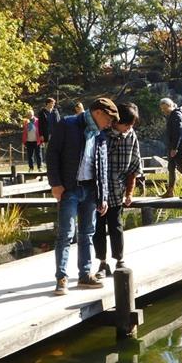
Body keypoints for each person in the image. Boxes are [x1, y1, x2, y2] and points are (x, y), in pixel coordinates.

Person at [47, 97, 119, 295]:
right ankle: (61, 278)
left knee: (87, 233)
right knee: (65, 234)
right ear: (98, 113)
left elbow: (102, 167)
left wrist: (103, 195)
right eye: (109, 119)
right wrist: (56, 184)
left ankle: (85, 275)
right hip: (69, 189)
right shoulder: (68, 124)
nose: (110, 123)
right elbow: (52, 154)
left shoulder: (100, 136)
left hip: (90, 190)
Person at [95, 103, 142, 280]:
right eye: (126, 124)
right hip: (99, 189)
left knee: (116, 225)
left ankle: (119, 259)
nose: (129, 128)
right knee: (98, 227)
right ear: (116, 121)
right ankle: (102, 262)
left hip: (117, 189)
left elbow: (134, 167)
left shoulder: (131, 136)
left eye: (132, 125)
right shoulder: (102, 134)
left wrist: (129, 193)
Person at [159, 98, 182, 199]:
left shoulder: (176, 115)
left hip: (180, 146)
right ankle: (170, 191)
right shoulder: (172, 115)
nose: (164, 111)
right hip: (173, 146)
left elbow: (178, 133)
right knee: (171, 168)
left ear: (170, 106)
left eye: (165, 109)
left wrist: (175, 148)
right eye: (162, 109)